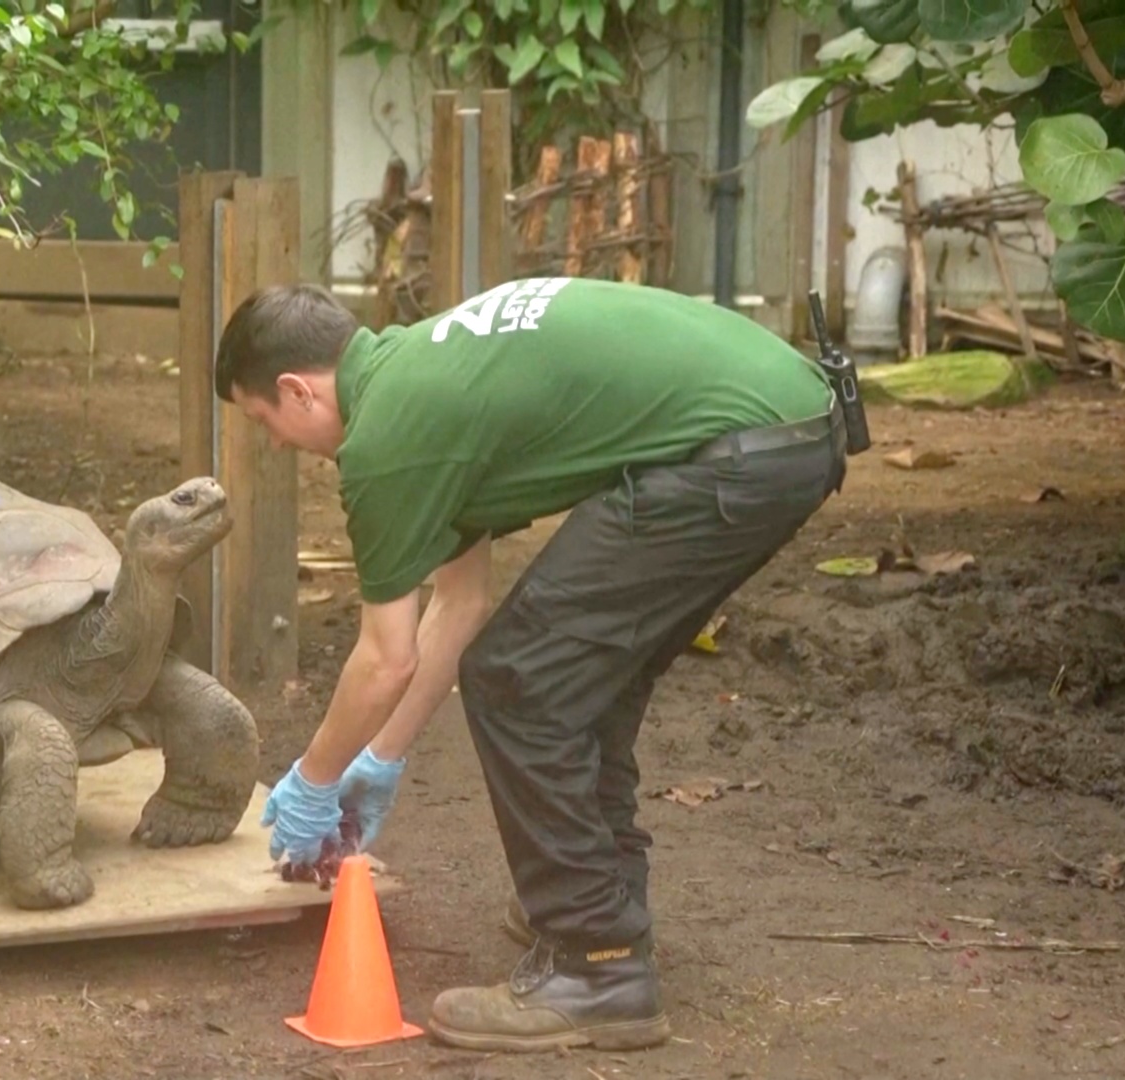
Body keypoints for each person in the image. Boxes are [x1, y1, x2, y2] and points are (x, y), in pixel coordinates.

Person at [213, 276, 846, 1053]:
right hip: (786, 428)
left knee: (523, 680)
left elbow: (385, 657)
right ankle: (599, 905)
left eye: (263, 421)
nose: (275, 444)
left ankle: (598, 964)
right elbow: (462, 603)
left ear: (296, 390)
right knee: (569, 671)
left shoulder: (387, 440)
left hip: (737, 450)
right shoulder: (429, 376)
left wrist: (312, 781)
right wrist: (381, 759)